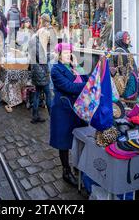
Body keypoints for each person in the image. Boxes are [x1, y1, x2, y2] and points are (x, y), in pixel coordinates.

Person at [50, 43, 88, 187]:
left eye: (70, 52)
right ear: (59, 55)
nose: (68, 55)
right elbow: (69, 87)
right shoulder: (56, 70)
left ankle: (78, 165)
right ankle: (66, 170)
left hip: (77, 109)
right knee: (64, 142)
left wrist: (77, 67)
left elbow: (85, 79)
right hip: (63, 109)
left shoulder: (73, 67)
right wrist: (89, 85)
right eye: (65, 53)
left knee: (79, 139)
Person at [29, 33, 52, 124]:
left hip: (36, 72)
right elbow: (43, 59)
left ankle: (35, 116)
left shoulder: (33, 41)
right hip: (41, 73)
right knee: (48, 94)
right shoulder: (37, 43)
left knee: (37, 94)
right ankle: (52, 116)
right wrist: (52, 55)